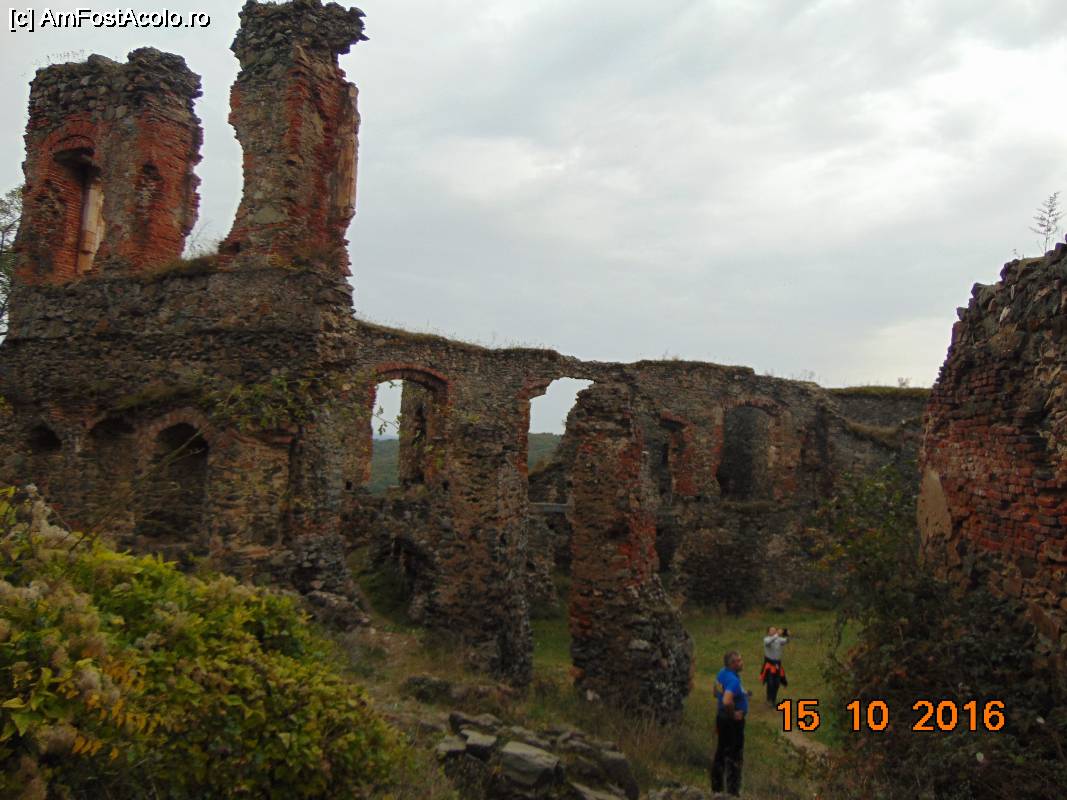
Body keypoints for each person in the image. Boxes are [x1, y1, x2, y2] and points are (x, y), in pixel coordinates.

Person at [711, 650, 748, 796]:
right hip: (732, 722)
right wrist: (733, 714)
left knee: (721, 751)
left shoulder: (722, 673)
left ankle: (717, 788)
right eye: (739, 660)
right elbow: (727, 701)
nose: (742, 663)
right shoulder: (733, 680)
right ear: (733, 664)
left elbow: (715, 691)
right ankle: (733, 791)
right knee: (734, 755)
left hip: (721, 718)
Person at [760, 626, 789, 705]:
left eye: (775, 630)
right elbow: (768, 642)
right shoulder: (766, 639)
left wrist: (786, 633)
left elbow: (787, 641)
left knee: (777, 683)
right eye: (771, 630)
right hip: (769, 664)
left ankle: (773, 699)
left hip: (777, 664)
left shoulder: (779, 639)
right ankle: (769, 698)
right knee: (770, 682)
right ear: (768, 632)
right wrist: (777, 635)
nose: (774, 631)